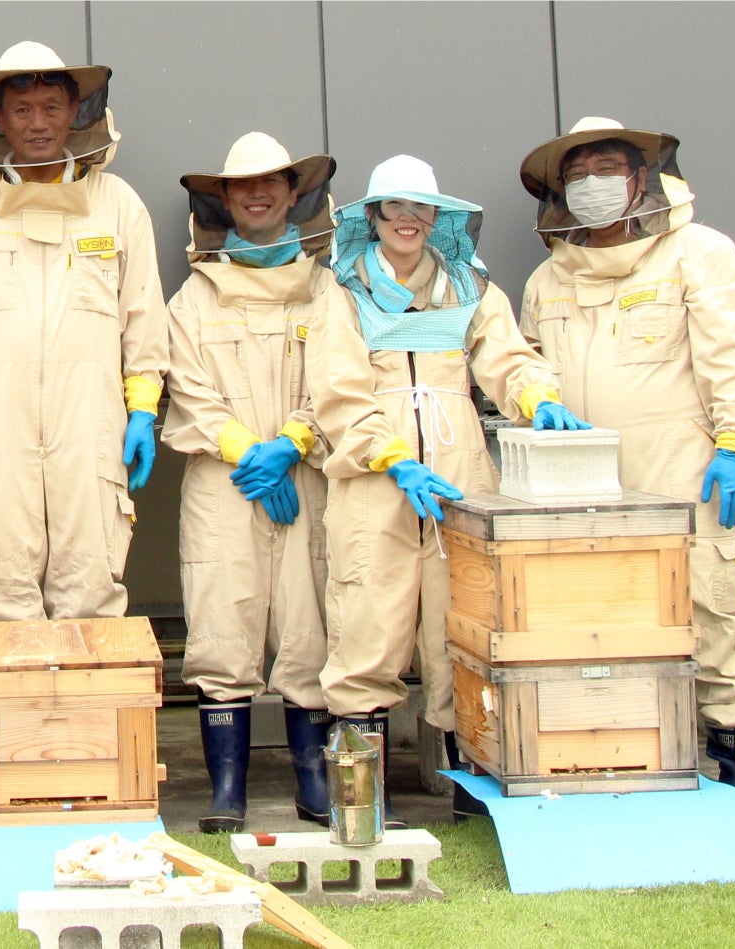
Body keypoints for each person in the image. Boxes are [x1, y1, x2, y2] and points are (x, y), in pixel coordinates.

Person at [306, 155, 585, 820]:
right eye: (394, 208)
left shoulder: (472, 286)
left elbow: (509, 359)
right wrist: (394, 457)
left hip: (461, 480)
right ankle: (360, 804)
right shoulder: (339, 290)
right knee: (367, 620)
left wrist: (537, 398)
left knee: (463, 627)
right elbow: (337, 394)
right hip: (377, 484)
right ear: (372, 217)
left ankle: (471, 795)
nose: (407, 220)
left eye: (420, 208)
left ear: (438, 218)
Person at [518, 117, 735, 811]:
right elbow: (527, 368)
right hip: (578, 486)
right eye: (578, 176)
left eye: (607, 168)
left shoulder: (698, 251)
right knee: (597, 621)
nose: (592, 186)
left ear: (643, 175)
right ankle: (620, 760)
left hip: (683, 471)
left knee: (711, 606)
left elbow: (730, 354)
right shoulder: (549, 277)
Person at [0, 40, 169, 622]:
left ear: (77, 110)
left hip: (94, 422)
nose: (38, 123)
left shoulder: (117, 203)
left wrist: (143, 410)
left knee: (91, 583)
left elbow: (143, 316)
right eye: (22, 110)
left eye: (52, 107)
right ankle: (8, 714)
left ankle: (89, 713)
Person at [162, 133, 338, 831]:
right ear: (223, 199)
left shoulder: (325, 288)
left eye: (271, 183)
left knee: (309, 621)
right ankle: (226, 789)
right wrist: (250, 456)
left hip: (306, 475)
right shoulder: (194, 296)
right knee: (220, 623)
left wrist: (291, 444)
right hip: (224, 482)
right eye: (242, 186)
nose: (257, 195)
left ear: (296, 192)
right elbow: (191, 389)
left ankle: (312, 777)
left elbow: (338, 380)